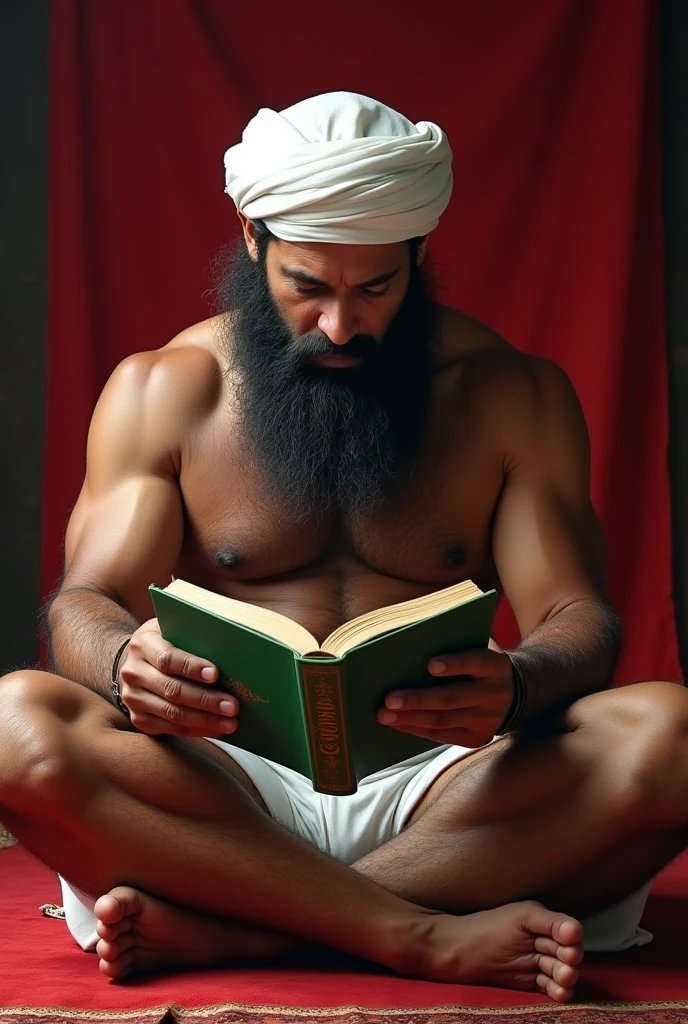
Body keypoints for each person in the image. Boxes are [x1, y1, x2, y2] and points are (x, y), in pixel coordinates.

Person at [1, 92, 686, 1004]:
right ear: (251, 237)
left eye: (374, 289)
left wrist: (520, 683)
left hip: (453, 791)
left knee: (673, 737)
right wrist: (126, 658)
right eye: (306, 286)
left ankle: (237, 928)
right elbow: (85, 600)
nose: (339, 325)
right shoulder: (165, 391)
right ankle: (413, 934)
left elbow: (578, 617)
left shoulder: (511, 395)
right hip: (219, 787)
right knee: (14, 720)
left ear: (418, 258)